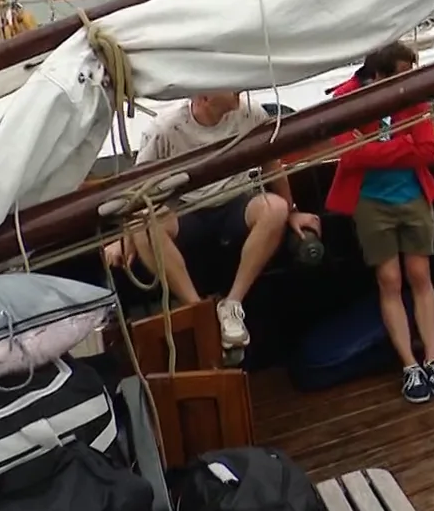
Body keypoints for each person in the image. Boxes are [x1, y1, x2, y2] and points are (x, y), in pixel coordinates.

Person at [111, 91, 319, 351]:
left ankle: (232, 304)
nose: (239, 89)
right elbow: (139, 191)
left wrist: (292, 210)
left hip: (235, 204)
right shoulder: (164, 130)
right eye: (229, 85)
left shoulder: (251, 113)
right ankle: (199, 310)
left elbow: (270, 164)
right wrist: (125, 239)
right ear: (205, 96)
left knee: (275, 208)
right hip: (185, 212)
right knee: (143, 225)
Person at [324, 43, 434, 403]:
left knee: (420, 275)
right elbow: (349, 157)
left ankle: (432, 358)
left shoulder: (412, 96)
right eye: (400, 74)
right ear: (378, 75)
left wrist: (371, 149)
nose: (408, 81)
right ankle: (410, 365)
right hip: (371, 203)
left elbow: (427, 151)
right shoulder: (346, 99)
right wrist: (400, 148)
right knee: (389, 280)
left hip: (412, 196)